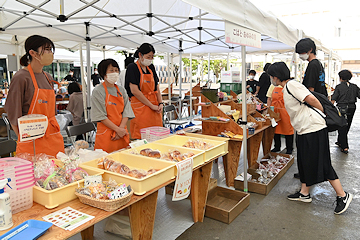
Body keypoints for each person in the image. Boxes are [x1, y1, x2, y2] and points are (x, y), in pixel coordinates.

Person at [267, 62, 352, 215]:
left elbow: (311, 99)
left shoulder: (292, 85)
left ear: (276, 77)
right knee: (304, 161)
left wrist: (322, 113)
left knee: (323, 163)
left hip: (313, 128)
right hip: (303, 129)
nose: (271, 79)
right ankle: (304, 193)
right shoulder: (287, 87)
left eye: (271, 77)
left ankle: (342, 195)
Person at [4, 35, 64, 156]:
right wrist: (25, 139)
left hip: (53, 138)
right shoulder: (21, 77)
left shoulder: (48, 77)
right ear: (33, 53)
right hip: (31, 141)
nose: (50, 53)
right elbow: (13, 115)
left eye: (51, 50)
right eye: (46, 49)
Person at [294, 37, 327, 179]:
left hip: (313, 107)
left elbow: (310, 90)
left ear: (310, 50)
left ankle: (307, 174)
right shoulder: (318, 64)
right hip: (318, 104)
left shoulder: (313, 65)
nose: (301, 55)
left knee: (307, 144)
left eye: (302, 52)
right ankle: (306, 172)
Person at [91, 59, 134, 153]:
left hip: (122, 133)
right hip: (106, 134)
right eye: (111, 70)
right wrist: (117, 130)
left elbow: (127, 111)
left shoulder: (121, 90)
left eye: (116, 70)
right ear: (103, 73)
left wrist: (121, 129)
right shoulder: (98, 91)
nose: (115, 73)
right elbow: (100, 115)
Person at [125, 43, 163, 139]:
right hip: (140, 107)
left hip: (154, 105)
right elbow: (135, 91)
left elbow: (156, 87)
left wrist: (161, 103)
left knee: (156, 135)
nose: (150, 59)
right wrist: (151, 105)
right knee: (142, 136)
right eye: (148, 56)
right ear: (140, 55)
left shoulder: (151, 67)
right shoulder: (132, 68)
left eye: (152, 57)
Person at [331, 69, 360, 154]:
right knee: (347, 124)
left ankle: (345, 146)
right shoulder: (354, 86)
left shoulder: (339, 87)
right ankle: (340, 141)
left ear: (340, 78)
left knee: (342, 125)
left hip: (341, 108)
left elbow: (333, 99)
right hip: (352, 107)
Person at [267, 79, 294, 154]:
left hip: (286, 111)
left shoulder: (288, 85)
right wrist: (269, 109)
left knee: (288, 129)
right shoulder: (272, 86)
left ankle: (289, 148)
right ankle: (277, 146)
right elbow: (269, 98)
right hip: (275, 110)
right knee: (276, 129)